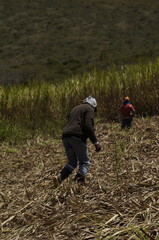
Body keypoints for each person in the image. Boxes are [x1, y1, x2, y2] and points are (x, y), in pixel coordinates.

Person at [53, 96, 101, 186]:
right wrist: (95, 142)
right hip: (77, 136)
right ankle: (77, 183)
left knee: (72, 162)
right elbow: (88, 125)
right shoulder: (89, 108)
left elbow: (69, 119)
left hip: (65, 136)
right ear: (94, 105)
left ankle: (59, 178)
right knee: (85, 162)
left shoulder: (75, 108)